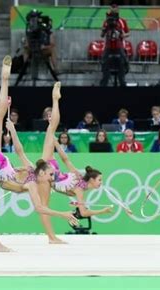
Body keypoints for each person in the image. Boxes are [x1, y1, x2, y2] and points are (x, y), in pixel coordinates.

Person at [0, 57, 77, 252]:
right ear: (42, 172)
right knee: (47, 128)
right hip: (1, 167)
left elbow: (20, 150)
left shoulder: (31, 172)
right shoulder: (33, 181)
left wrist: (13, 130)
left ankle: (5, 80)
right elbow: (40, 208)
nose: (52, 177)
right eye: (50, 175)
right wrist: (64, 214)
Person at [36, 82, 112, 245]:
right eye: (99, 180)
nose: (101, 183)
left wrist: (55, 142)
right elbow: (83, 213)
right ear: (91, 180)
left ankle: (55, 100)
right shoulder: (79, 189)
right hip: (50, 176)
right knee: (44, 208)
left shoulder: (78, 177)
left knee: (53, 127)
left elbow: (66, 159)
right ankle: (52, 238)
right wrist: (103, 211)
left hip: (53, 168)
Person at [99, 4, 129, 87]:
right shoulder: (106, 22)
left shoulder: (122, 21)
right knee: (104, 63)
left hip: (119, 46)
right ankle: (104, 84)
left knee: (122, 64)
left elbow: (128, 33)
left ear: (118, 9)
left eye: (115, 8)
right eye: (112, 8)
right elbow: (101, 35)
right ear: (110, 9)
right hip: (108, 47)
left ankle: (122, 83)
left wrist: (122, 35)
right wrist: (104, 30)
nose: (114, 9)